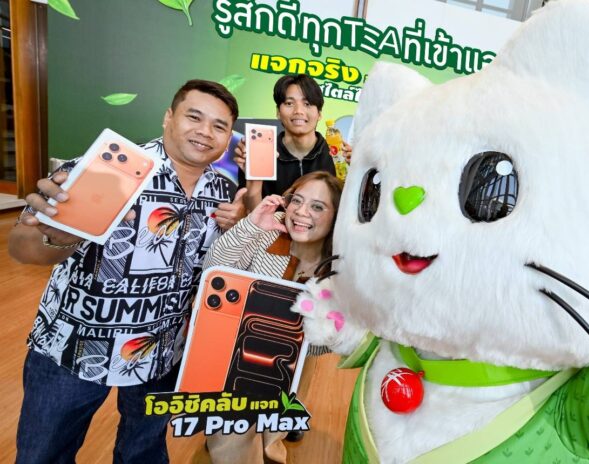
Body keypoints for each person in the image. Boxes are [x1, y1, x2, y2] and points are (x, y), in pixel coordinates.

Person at [8, 79, 247, 463]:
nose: (206, 131)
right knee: (44, 455)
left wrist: (242, 222)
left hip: (160, 353)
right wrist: (55, 236)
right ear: (168, 117)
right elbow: (21, 246)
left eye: (219, 126)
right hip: (74, 349)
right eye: (194, 117)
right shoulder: (106, 169)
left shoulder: (224, 194)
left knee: (143, 452)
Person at [200, 171, 343, 464]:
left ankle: (271, 448)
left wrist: (300, 330)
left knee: (275, 424)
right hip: (240, 356)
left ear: (336, 218)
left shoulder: (340, 267)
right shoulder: (268, 228)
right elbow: (215, 271)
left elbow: (326, 346)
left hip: (295, 361)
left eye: (317, 206)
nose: (301, 212)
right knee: (232, 437)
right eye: (297, 201)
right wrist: (250, 225)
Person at [235, 74, 351, 211]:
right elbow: (249, 215)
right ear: (278, 112)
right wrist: (253, 179)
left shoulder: (337, 156)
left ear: (319, 113)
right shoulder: (260, 152)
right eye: (289, 103)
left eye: (307, 104)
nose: (298, 111)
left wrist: (358, 172)